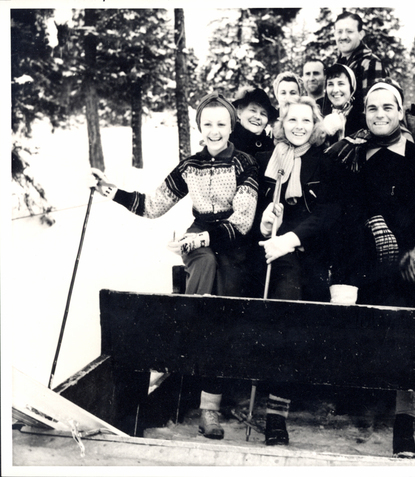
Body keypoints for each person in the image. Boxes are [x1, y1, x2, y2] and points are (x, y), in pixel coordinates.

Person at [91, 93, 259, 442]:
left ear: (232, 126)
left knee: (226, 300)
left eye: (221, 124)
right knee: (206, 275)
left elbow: (242, 221)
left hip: (232, 241)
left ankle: (208, 399)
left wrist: (203, 239)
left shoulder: (245, 163)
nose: (215, 131)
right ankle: (193, 332)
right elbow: (153, 205)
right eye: (208, 124)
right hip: (200, 242)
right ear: (200, 127)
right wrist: (111, 191)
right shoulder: (189, 166)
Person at [324, 78, 415, 459]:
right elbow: (342, 206)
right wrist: (373, 223)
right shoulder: (352, 155)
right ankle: (352, 393)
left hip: (408, 262)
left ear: (399, 111)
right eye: (373, 108)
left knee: (411, 322)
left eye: (388, 107)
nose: (380, 114)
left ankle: (404, 423)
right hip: (364, 260)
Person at [254, 97, 330, 445]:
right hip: (277, 253)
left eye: (306, 120)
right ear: (281, 124)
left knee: (309, 318)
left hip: (312, 252)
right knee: (284, 309)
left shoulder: (324, 161)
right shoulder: (272, 161)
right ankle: (275, 415)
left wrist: (293, 235)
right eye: (291, 119)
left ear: (315, 125)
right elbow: (256, 209)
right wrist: (265, 221)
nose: (298, 126)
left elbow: (329, 213)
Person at [333, 11, 386, 110]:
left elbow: (374, 108)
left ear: (361, 34)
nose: (343, 37)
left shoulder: (370, 63)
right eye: (339, 32)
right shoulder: (338, 66)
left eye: (349, 31)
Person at [320, 63, 365, 145]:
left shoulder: (362, 119)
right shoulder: (320, 114)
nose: (335, 90)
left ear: (351, 88)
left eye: (341, 84)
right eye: (330, 84)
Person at [230, 86, 278, 158]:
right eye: (253, 110)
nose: (258, 117)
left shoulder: (271, 146)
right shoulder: (227, 141)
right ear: (239, 112)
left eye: (263, 114)